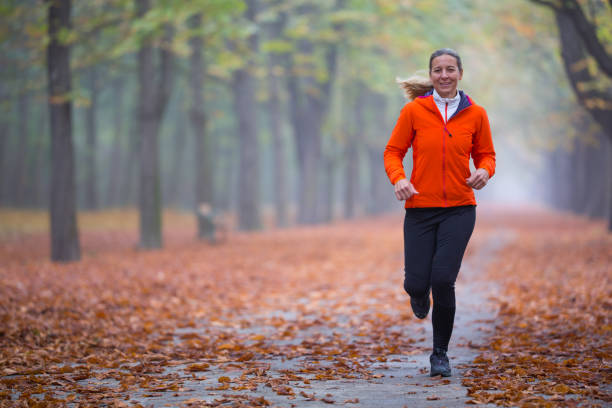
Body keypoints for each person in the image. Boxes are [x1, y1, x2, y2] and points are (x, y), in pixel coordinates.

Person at [383, 48, 496, 377]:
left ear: (460, 73)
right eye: (438, 70)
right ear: (431, 75)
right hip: (420, 208)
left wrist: (484, 172)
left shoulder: (476, 114)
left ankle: (440, 354)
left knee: (443, 279)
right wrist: (399, 178)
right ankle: (418, 296)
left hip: (459, 209)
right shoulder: (415, 111)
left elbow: (487, 155)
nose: (444, 75)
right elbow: (393, 151)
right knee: (417, 284)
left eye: (450, 69)